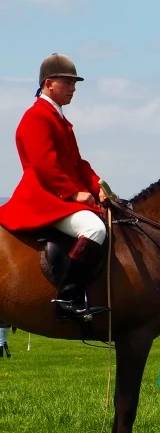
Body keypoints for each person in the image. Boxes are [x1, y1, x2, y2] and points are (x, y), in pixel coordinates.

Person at [0, 54, 110, 319]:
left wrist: (97, 186)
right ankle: (66, 299)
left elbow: (77, 163)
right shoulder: (37, 117)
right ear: (49, 83)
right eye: (68, 83)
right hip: (43, 197)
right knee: (94, 229)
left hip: (58, 195)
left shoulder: (58, 118)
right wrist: (73, 192)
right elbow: (43, 165)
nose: (73, 88)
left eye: (74, 83)